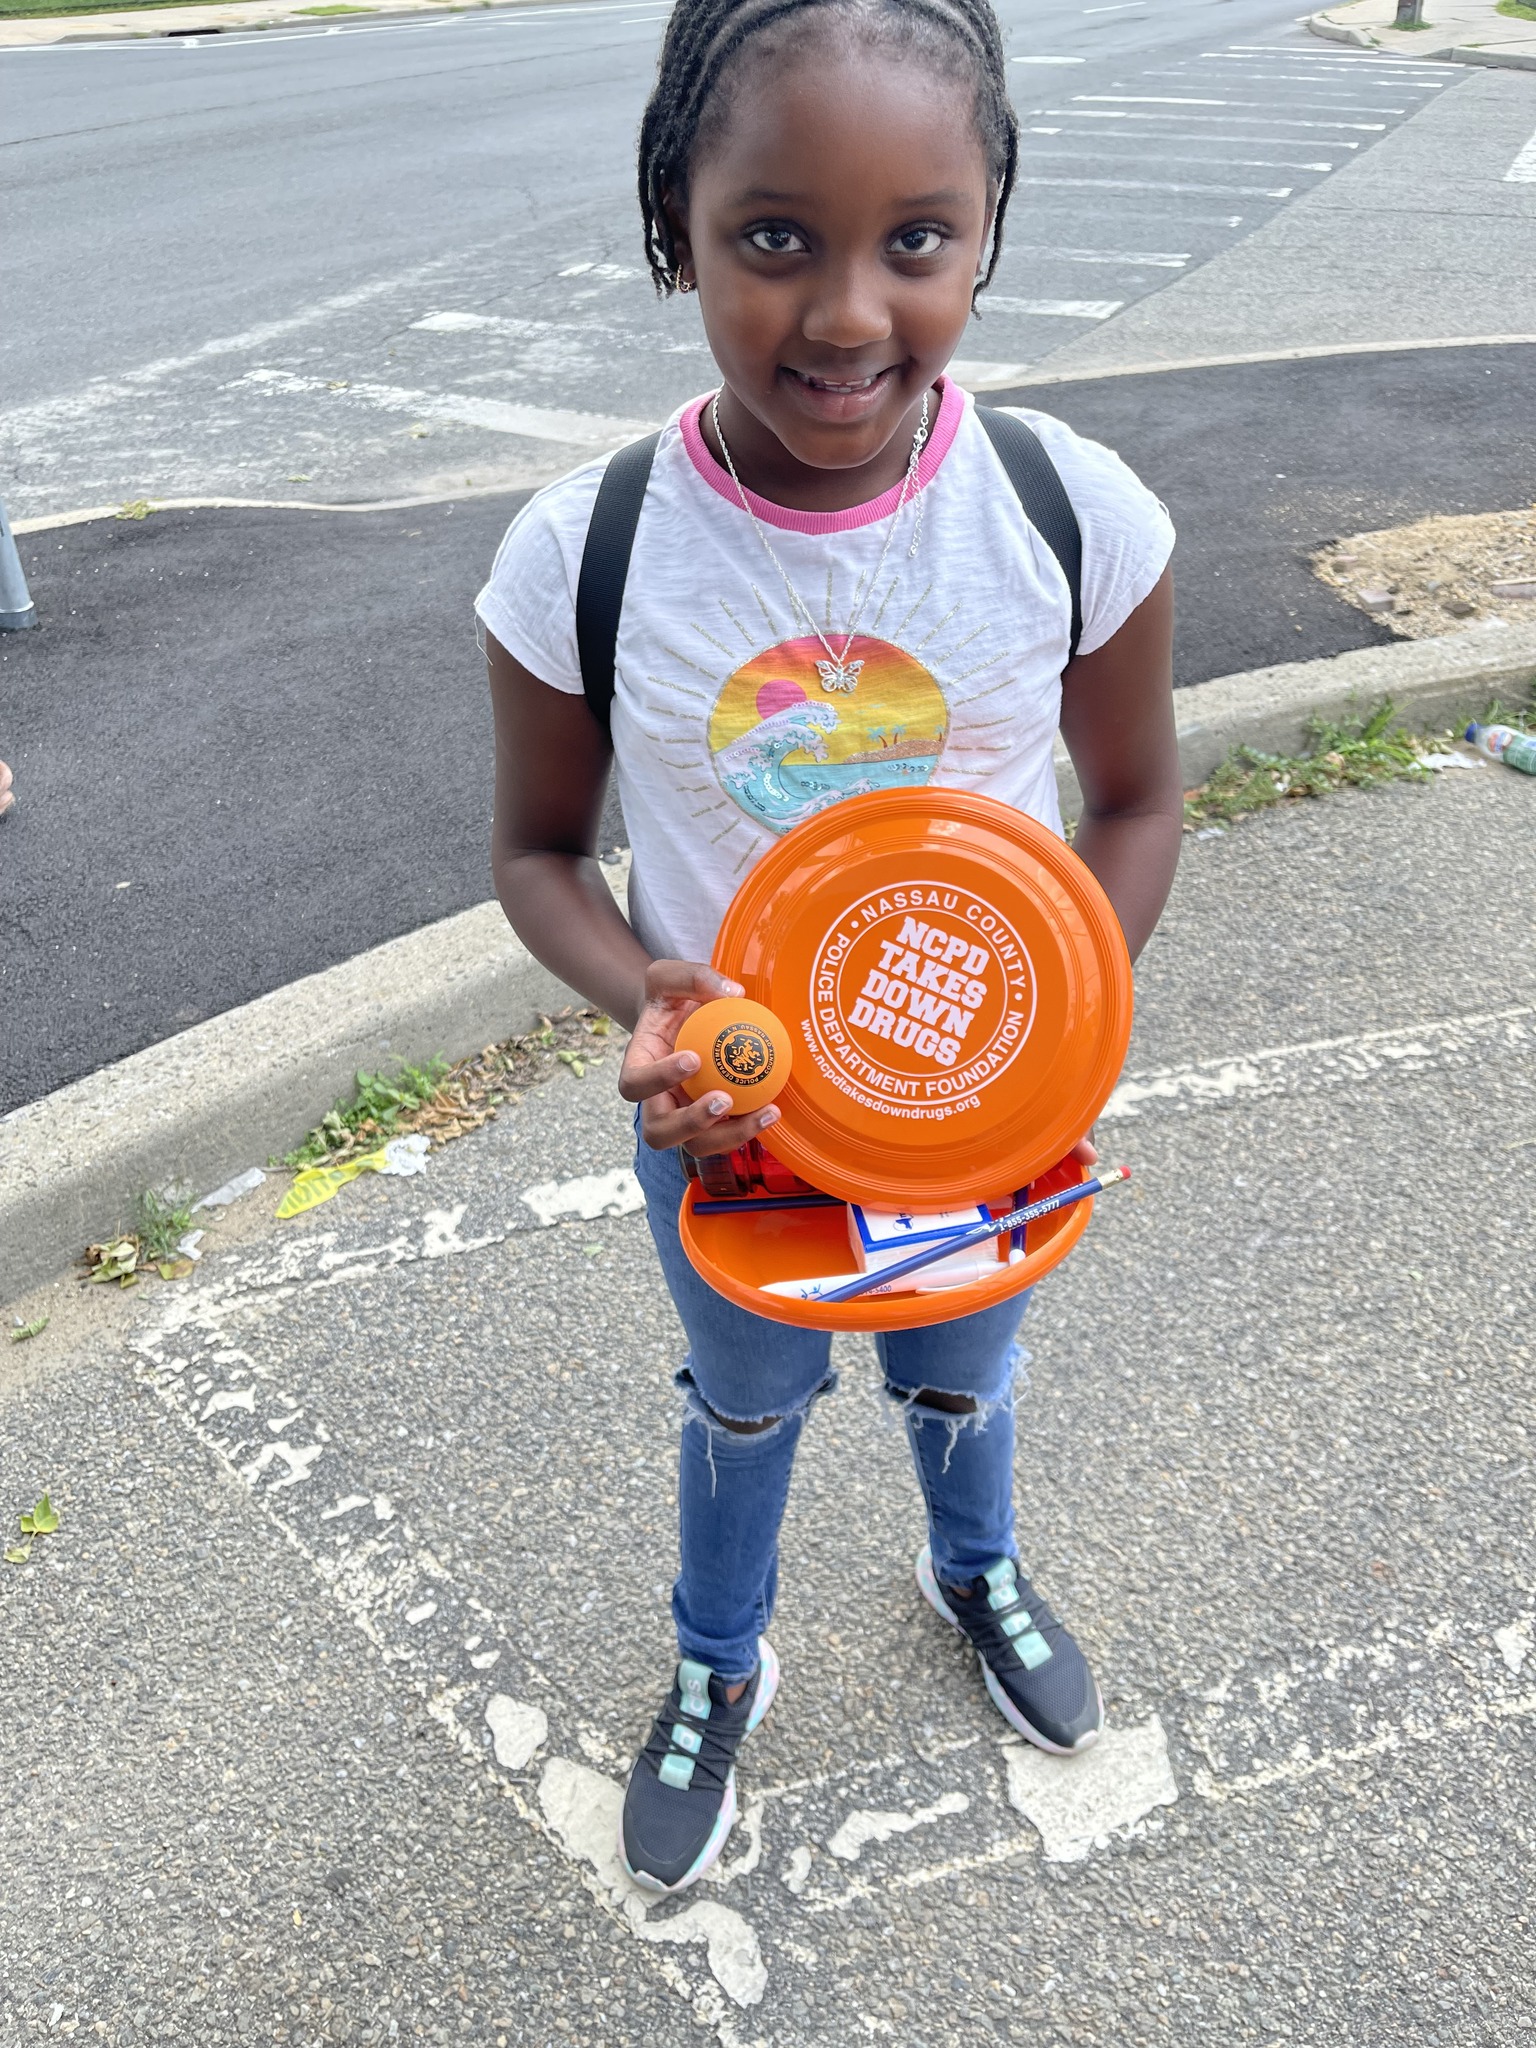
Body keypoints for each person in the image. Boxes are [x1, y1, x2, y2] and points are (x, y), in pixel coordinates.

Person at [478, 0, 1182, 1895]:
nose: (850, 312)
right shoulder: (588, 551)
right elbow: (538, 854)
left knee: (962, 1375)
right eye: (775, 237)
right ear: (676, 231)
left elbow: (1134, 804)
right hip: (738, 1133)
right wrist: (650, 996)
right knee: (745, 1402)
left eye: (918, 239)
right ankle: (719, 1660)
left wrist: (1057, 1034)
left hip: (982, 1118)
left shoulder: (1066, 515)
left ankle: (979, 1570)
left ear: (990, 229)